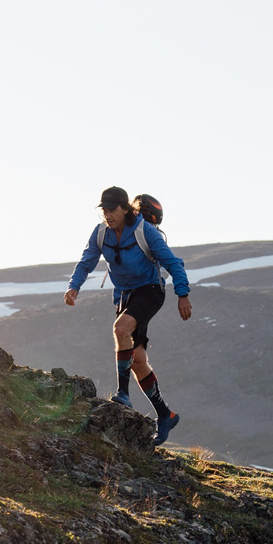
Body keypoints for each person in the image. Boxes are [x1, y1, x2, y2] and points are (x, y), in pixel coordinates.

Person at [63, 186, 192, 446]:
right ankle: (166, 415)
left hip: (150, 290)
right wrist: (74, 285)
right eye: (104, 211)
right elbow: (87, 260)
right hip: (125, 295)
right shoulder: (101, 233)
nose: (107, 215)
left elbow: (173, 263)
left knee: (120, 329)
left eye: (112, 210)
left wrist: (183, 294)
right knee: (138, 360)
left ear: (125, 209)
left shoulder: (146, 232)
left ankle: (123, 393)